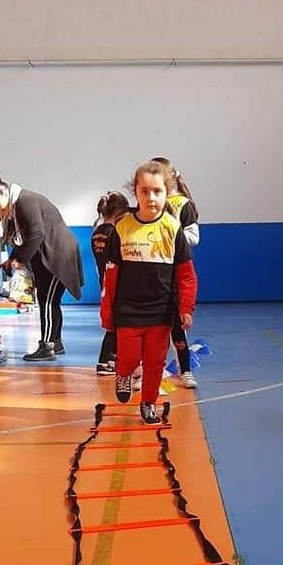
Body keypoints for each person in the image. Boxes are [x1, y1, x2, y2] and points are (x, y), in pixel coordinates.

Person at [101, 160, 198, 425]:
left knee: (155, 363)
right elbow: (110, 275)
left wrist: (186, 308)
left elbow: (187, 275)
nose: (151, 198)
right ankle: (123, 373)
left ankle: (148, 403)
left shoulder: (173, 229)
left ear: (167, 193)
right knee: (129, 357)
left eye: (157, 191)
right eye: (144, 191)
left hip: (161, 311)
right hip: (128, 309)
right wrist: (107, 313)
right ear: (136, 192)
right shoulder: (122, 228)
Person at [0, 171, 83, 361]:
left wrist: (20, 260)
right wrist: (12, 258)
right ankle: (55, 342)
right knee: (51, 300)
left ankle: (47, 346)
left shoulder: (24, 201)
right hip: (52, 255)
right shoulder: (16, 206)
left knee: (47, 301)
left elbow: (36, 234)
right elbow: (24, 238)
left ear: (5, 194)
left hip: (58, 255)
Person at [152, 157, 200, 389]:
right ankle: (153, 369)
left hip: (173, 271)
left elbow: (194, 237)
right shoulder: (148, 204)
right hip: (152, 271)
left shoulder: (182, 204)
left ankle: (185, 370)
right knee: (152, 326)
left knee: (177, 325)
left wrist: (172, 232)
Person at [91, 191, 129, 375]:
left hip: (105, 281)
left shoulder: (96, 232)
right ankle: (107, 359)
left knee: (113, 321)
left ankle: (112, 357)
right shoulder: (115, 233)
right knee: (116, 323)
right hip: (116, 282)